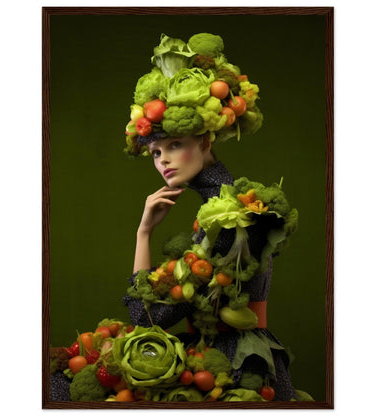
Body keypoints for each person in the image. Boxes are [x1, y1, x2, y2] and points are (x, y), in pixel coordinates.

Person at [122, 33, 305, 401]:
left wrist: (143, 235)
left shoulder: (232, 216)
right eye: (156, 152)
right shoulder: (224, 202)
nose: (164, 162)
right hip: (220, 359)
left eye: (176, 145)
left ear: (205, 143)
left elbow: (147, 318)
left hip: (238, 366)